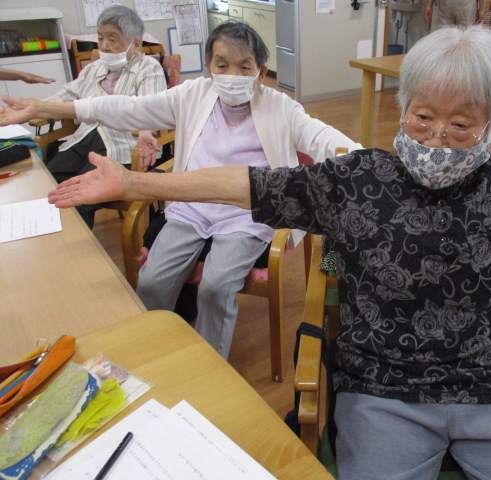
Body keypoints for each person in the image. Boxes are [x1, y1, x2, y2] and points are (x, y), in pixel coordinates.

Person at [26, 26, 491, 479]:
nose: (436, 139)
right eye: (423, 118)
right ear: (403, 110)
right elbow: (247, 182)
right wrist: (138, 183)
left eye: (461, 125)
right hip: (384, 394)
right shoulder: (359, 181)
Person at [1, 20, 360, 360]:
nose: (232, 76)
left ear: (261, 73)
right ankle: (156, 348)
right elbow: (128, 108)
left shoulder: (281, 107)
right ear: (208, 67)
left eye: (244, 67)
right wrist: (46, 106)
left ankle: (208, 363)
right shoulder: (193, 94)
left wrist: (373, 165)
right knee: (152, 280)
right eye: (222, 65)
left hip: (245, 214)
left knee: (216, 286)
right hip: (192, 206)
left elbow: (323, 138)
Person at [40, 5, 167, 227]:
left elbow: (150, 108)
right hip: (85, 137)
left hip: (123, 144)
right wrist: (33, 108)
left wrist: (146, 132)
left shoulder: (149, 68)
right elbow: (67, 93)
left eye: (113, 39)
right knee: (47, 183)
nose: (105, 46)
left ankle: (73, 254)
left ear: (135, 43)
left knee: (78, 196)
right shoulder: (94, 68)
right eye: (100, 39)